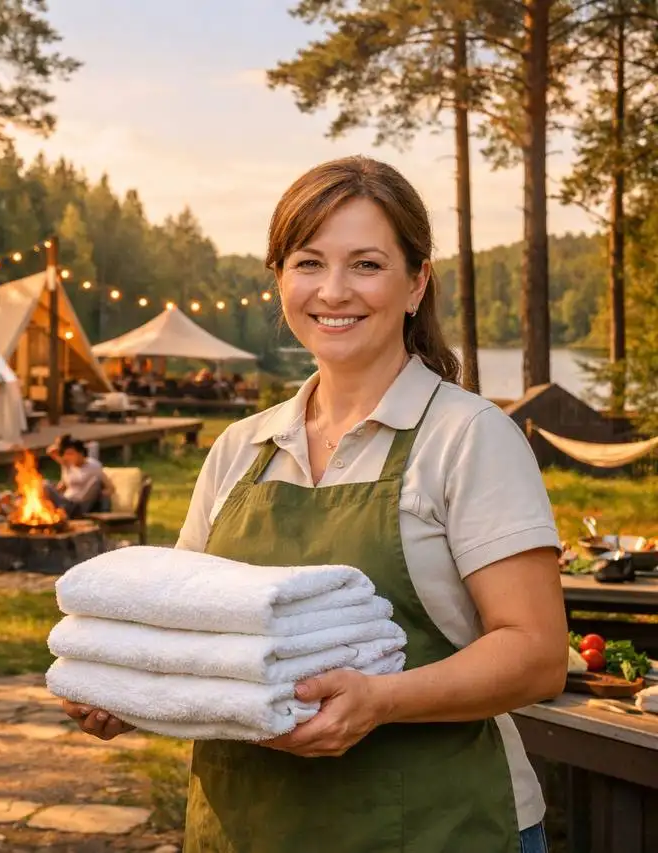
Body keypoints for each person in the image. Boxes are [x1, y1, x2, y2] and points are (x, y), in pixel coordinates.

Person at [61, 156, 567, 853]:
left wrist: (380, 700)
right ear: (280, 278)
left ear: (416, 282)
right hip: (245, 826)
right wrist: (125, 683)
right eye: (308, 262)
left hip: (435, 826)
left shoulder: (468, 437)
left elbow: (537, 654)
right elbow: (178, 625)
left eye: (366, 264)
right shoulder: (242, 447)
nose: (334, 291)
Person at [44, 437, 111, 518]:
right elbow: (50, 451)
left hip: (78, 506)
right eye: (66, 454)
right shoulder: (68, 465)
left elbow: (110, 487)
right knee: (43, 485)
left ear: (81, 453)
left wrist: (102, 497)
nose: (67, 457)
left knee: (45, 485)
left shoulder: (93, 466)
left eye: (71, 453)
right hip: (65, 502)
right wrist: (61, 445)